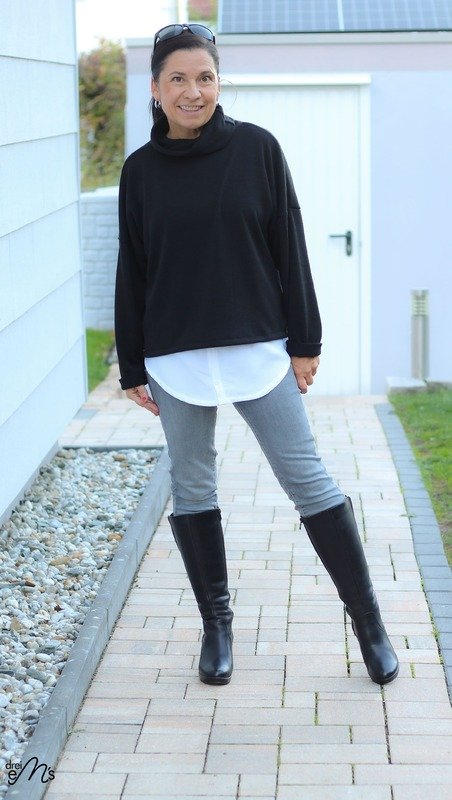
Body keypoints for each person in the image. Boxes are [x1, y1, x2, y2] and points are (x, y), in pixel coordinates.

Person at [114, 23, 399, 687]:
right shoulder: (140, 172)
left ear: (219, 82)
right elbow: (133, 269)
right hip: (175, 357)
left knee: (308, 479)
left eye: (205, 77)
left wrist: (306, 342)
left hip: (259, 347)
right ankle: (216, 627)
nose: (193, 91)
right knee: (192, 488)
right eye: (178, 79)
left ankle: (370, 623)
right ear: (155, 89)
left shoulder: (257, 149)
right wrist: (131, 364)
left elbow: (288, 246)